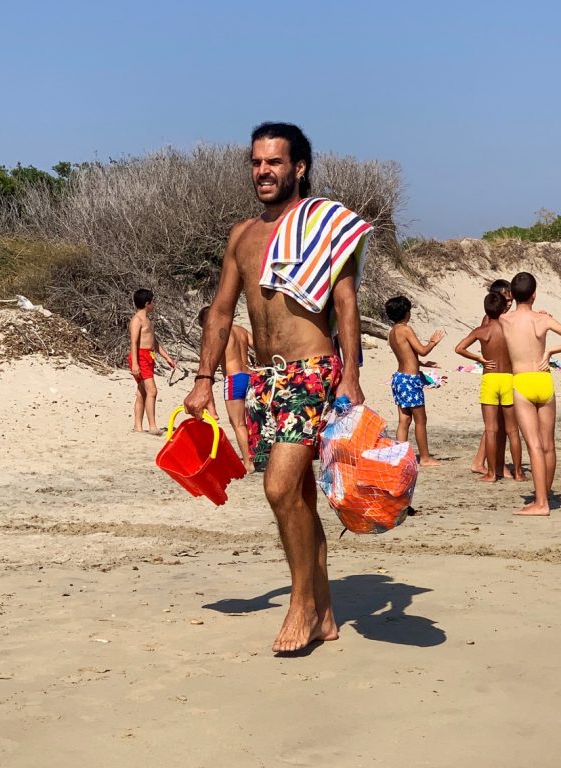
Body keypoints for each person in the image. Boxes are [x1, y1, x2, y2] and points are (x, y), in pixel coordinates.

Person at [184, 122, 371, 653]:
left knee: (279, 489)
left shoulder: (325, 225)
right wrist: (203, 380)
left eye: (274, 162)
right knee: (301, 498)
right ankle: (326, 610)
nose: (263, 171)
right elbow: (221, 312)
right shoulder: (242, 235)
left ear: (299, 168)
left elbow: (345, 303)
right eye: (256, 162)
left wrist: (350, 376)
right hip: (266, 380)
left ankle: (301, 605)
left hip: (311, 370)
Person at [498, 272, 561, 515]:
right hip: (543, 380)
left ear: (512, 296)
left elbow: (495, 314)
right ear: (535, 295)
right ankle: (544, 493)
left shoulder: (506, 320)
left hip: (523, 382)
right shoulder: (543, 319)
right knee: (548, 444)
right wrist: (551, 352)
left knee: (534, 445)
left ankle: (541, 502)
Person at [454, 291, 523, 482]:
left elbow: (459, 348)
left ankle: (492, 473)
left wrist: (479, 358)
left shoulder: (481, 331)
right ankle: (518, 472)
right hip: (509, 378)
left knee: (491, 429)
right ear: (503, 308)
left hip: (490, 379)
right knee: (512, 430)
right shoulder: (510, 329)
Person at [386, 296, 445, 468]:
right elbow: (422, 350)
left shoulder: (392, 331)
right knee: (420, 420)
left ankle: (399, 456)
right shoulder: (405, 329)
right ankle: (425, 457)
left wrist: (421, 363)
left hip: (399, 378)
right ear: (406, 313)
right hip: (410, 380)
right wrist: (433, 341)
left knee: (404, 420)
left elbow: (406, 354)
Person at [196, 306, 255, 472]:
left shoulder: (217, 335)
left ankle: (248, 462)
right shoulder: (241, 330)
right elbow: (257, 346)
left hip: (233, 379)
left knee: (238, 423)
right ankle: (256, 455)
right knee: (251, 421)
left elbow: (209, 363)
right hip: (250, 377)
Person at [128, 288, 177, 435]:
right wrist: (135, 363)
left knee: (142, 392)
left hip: (148, 356)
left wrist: (167, 357)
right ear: (147, 303)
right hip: (140, 357)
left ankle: (138, 427)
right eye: (152, 301)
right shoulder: (137, 320)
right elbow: (133, 342)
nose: (154, 304)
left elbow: (154, 342)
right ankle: (152, 426)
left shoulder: (147, 320)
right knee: (152, 391)